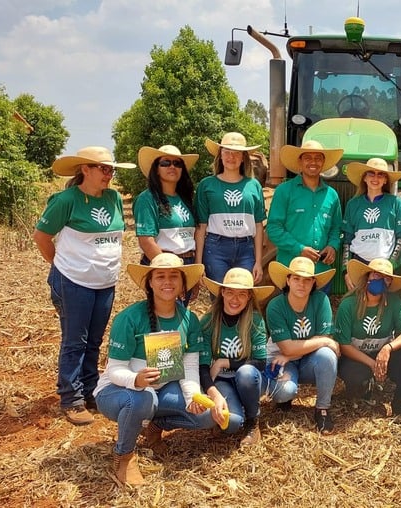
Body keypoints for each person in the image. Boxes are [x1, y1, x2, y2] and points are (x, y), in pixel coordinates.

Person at [93, 254, 224, 486]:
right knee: (141, 400)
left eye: (174, 276)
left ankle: (154, 427)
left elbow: (191, 365)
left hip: (161, 391)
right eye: (160, 276)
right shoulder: (129, 318)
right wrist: (136, 379)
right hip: (118, 392)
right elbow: (114, 370)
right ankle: (124, 456)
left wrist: (192, 396)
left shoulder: (189, 319)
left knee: (205, 415)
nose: (167, 282)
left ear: (183, 284)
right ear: (150, 282)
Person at [33, 146, 135, 426]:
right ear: (85, 170)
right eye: (103, 169)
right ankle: (71, 398)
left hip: (104, 283)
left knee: (94, 340)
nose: (109, 175)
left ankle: (90, 391)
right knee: (74, 340)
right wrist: (60, 265)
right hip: (73, 282)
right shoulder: (66, 200)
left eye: (110, 169)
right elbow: (41, 236)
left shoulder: (113, 198)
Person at [199, 268, 275, 446]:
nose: (235, 299)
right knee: (231, 424)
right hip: (223, 380)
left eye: (242, 294)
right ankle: (236, 407)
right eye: (230, 292)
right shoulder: (209, 321)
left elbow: (261, 362)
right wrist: (212, 392)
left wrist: (224, 362)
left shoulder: (255, 319)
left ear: (249, 297)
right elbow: (202, 366)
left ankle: (252, 421)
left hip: (251, 377)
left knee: (246, 373)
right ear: (222, 292)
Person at [264, 257, 340, 433]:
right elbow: (288, 348)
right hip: (281, 360)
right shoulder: (275, 306)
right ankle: (283, 398)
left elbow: (321, 340)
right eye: (296, 279)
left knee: (327, 355)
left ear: (313, 282)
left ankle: (322, 408)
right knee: (285, 392)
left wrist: (293, 352)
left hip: (307, 359)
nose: (302, 284)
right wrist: (323, 341)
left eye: (307, 280)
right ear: (288, 280)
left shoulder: (321, 300)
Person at [336, 258, 401, 416]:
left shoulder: (394, 302)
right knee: (355, 376)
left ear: (390, 283)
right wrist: (373, 364)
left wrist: (388, 348)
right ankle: (363, 388)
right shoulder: (348, 305)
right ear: (367, 277)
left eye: (386, 278)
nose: (380, 280)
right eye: (376, 275)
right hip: (356, 357)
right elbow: (344, 345)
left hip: (382, 355)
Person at [268, 140, 344, 292]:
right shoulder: (284, 191)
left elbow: (336, 228)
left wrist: (332, 246)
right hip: (291, 269)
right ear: (300, 162)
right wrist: (299, 248)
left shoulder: (332, 195)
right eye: (308, 158)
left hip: (320, 271)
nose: (313, 162)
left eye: (318, 158)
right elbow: (273, 228)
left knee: (318, 314)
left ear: (323, 162)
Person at [195, 132, 267, 284]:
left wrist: (258, 262)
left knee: (244, 294)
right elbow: (201, 227)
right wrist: (198, 263)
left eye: (236, 153)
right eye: (226, 152)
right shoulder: (206, 185)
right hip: (215, 249)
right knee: (218, 295)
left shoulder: (254, 185)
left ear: (243, 158)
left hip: (246, 249)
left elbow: (259, 226)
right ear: (220, 155)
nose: (231, 157)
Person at [134, 145, 199, 304]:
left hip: (187, 263)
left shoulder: (185, 197)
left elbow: (193, 236)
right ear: (156, 169)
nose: (172, 166)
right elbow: (146, 241)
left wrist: (193, 274)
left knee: (179, 314)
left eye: (177, 163)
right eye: (165, 163)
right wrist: (170, 273)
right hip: (163, 265)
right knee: (165, 316)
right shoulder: (148, 199)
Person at [341, 158, 401, 289]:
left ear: (385, 180)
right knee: (358, 305)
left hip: (384, 265)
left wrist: (391, 265)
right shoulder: (353, 204)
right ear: (364, 178)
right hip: (359, 264)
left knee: (382, 305)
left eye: (380, 174)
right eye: (371, 173)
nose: (375, 178)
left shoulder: (395, 203)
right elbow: (347, 240)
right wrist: (346, 270)